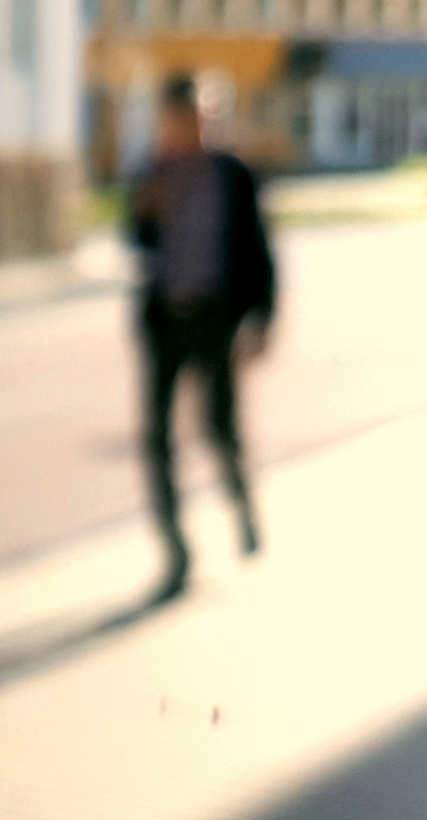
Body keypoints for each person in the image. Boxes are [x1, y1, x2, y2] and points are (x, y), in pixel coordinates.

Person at [129, 73, 276, 603]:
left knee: (219, 429)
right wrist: (144, 208)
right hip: (166, 319)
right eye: (176, 119)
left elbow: (260, 251)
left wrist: (261, 320)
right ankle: (177, 554)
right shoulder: (154, 171)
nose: (187, 127)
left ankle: (242, 508)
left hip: (216, 320)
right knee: (157, 440)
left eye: (195, 117)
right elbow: (140, 240)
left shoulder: (233, 174)